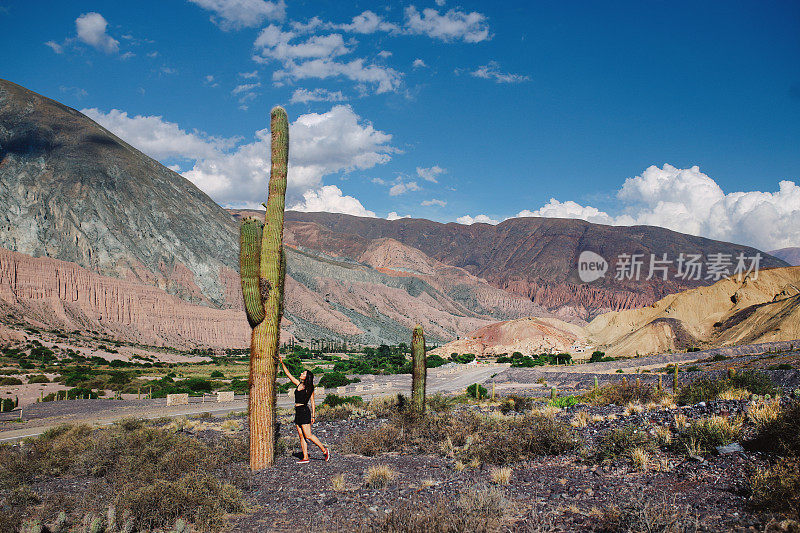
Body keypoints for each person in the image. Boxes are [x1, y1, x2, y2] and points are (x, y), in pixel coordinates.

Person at [279, 354, 330, 464]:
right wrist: (282, 363)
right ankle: (305, 457)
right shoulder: (298, 384)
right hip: (297, 411)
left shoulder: (309, 388)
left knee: (308, 435)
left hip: (304, 411)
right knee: (301, 436)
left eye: (303, 373)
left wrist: (313, 415)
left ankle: (324, 450)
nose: (301, 374)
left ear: (307, 377)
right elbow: (289, 375)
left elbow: (312, 402)